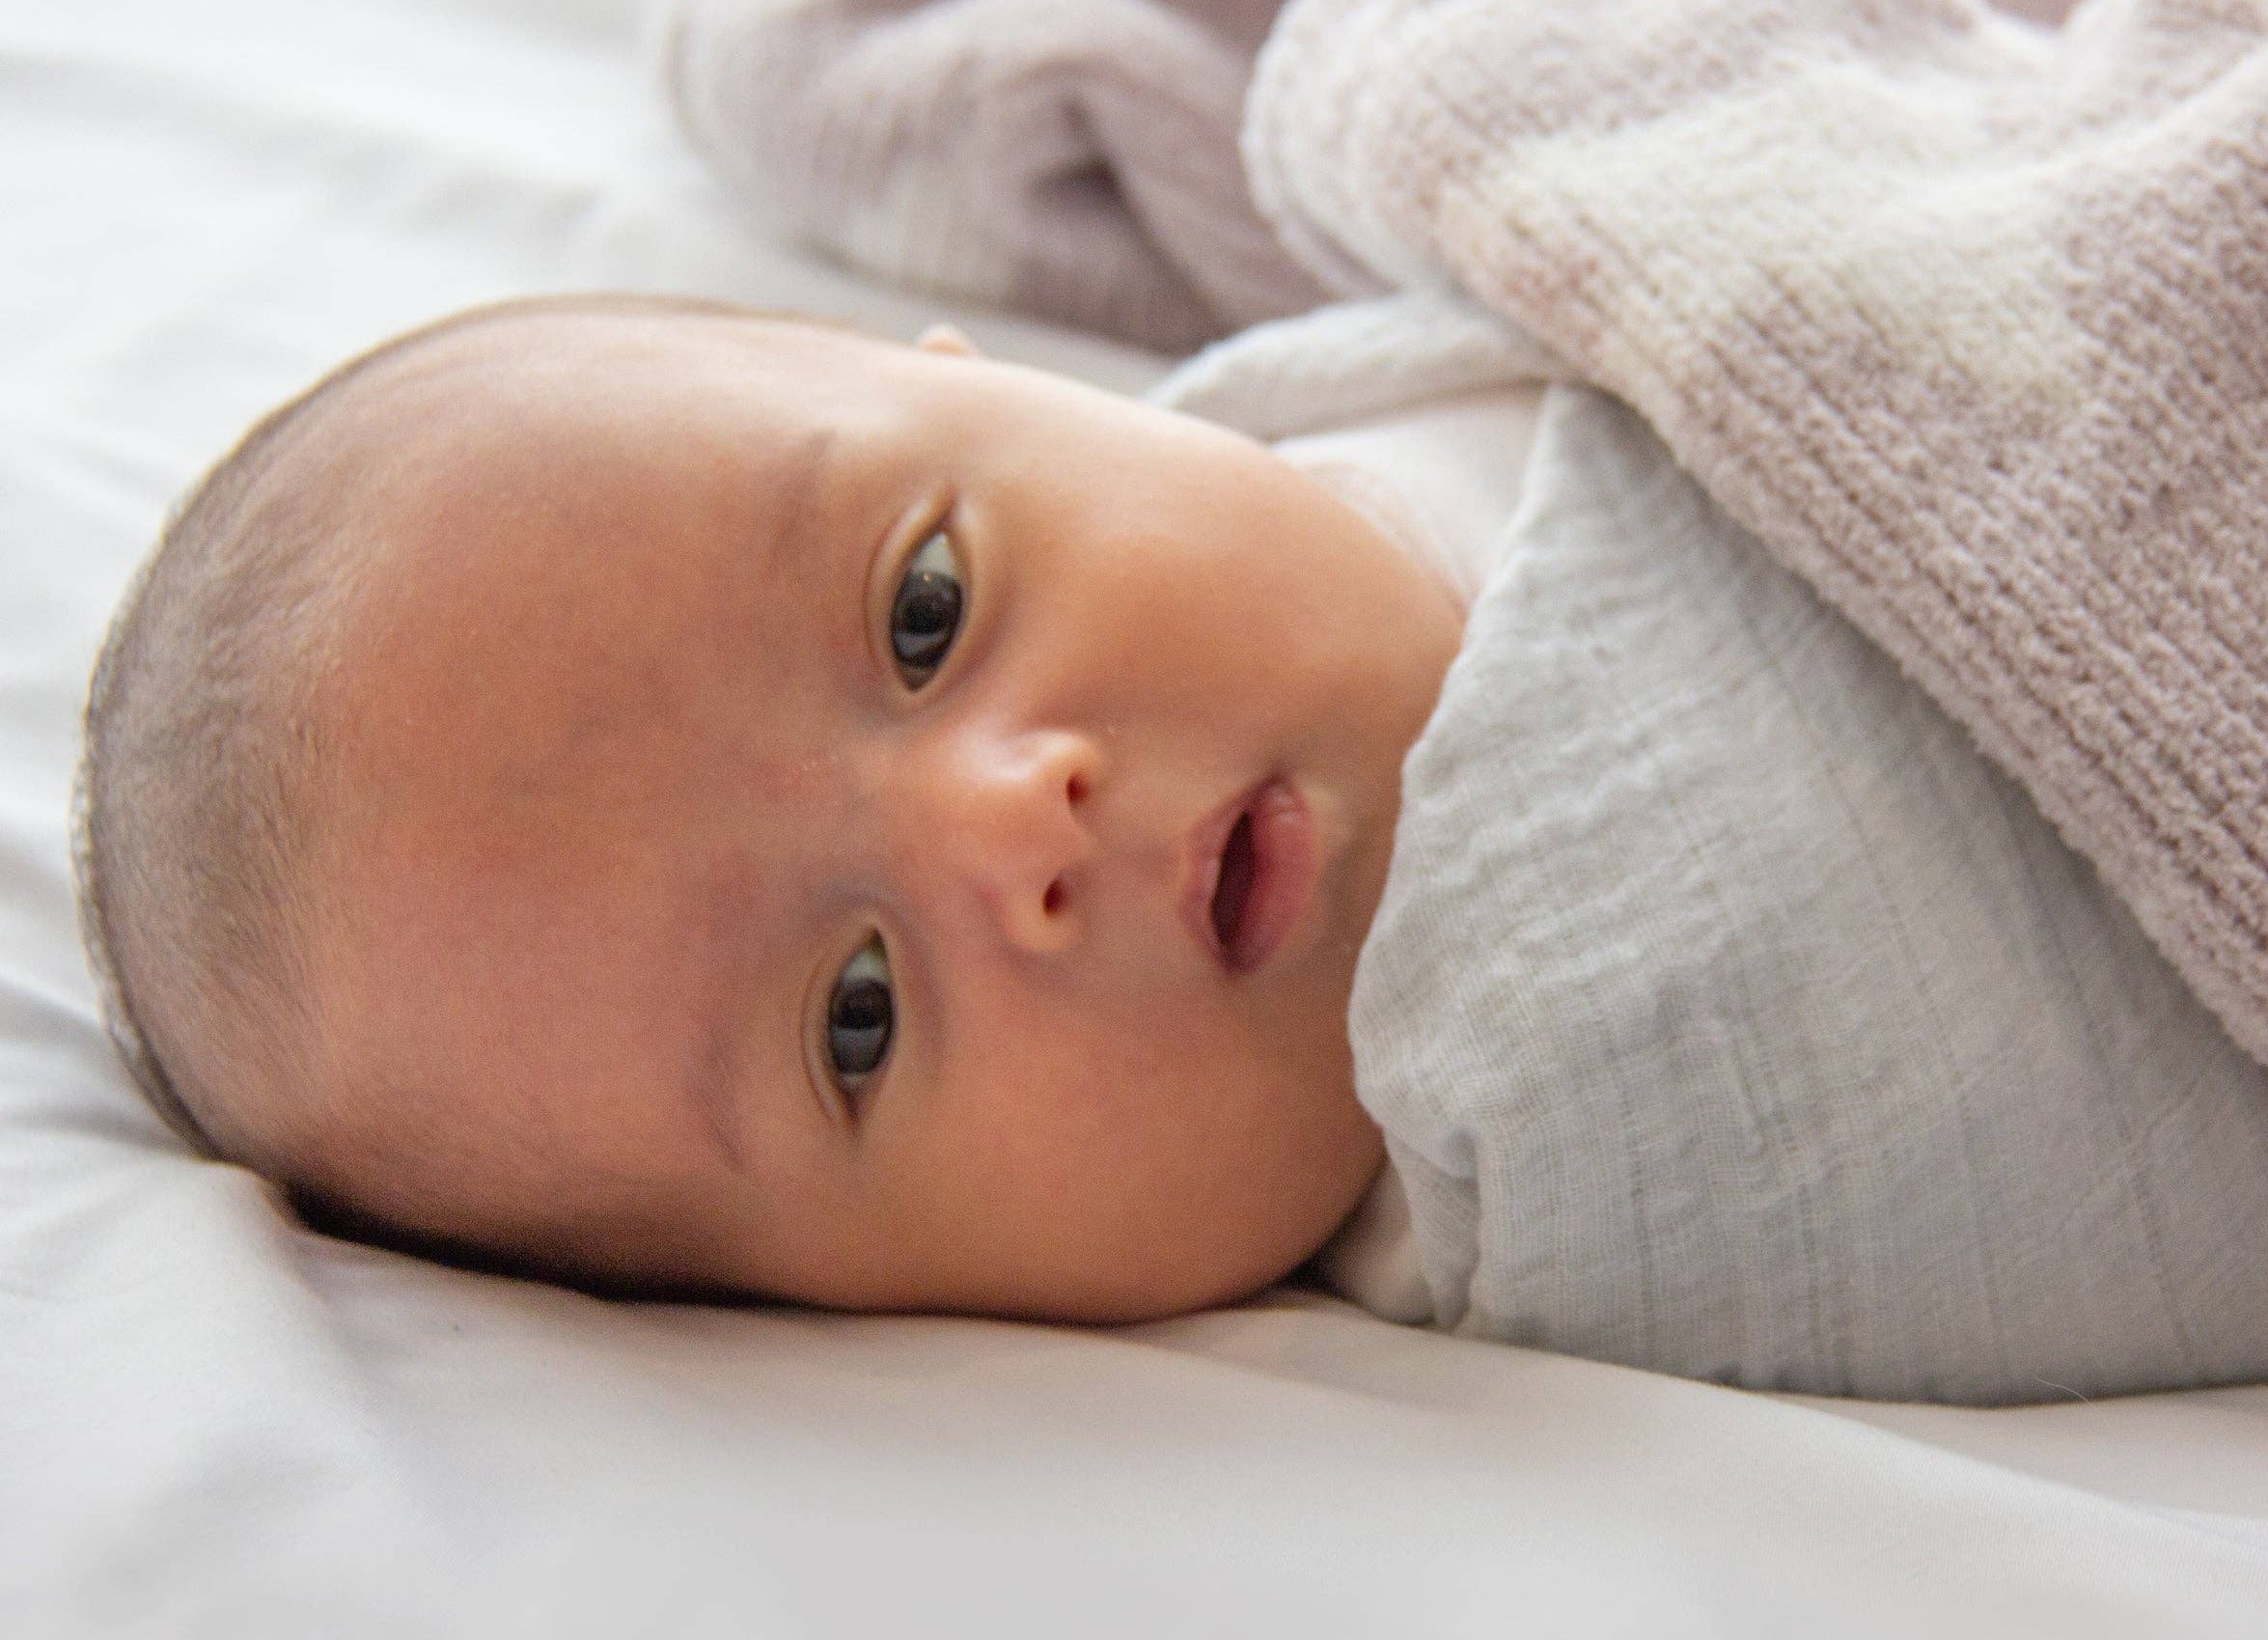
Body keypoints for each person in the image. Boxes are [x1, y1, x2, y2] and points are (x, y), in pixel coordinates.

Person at [72, 292, 1514, 1321]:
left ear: (985, 374)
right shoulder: (1579, 1218)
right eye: (858, 1018)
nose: (1014, 822)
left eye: (926, 612)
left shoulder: (1452, 275)